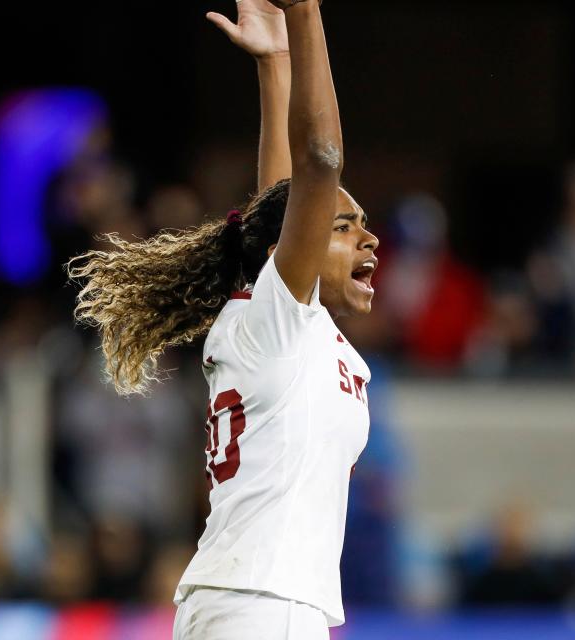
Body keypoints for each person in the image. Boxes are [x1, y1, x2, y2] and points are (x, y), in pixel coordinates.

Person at [69, 0, 378, 637]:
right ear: (292, 243)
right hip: (265, 604)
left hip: (249, 600)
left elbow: (278, 201)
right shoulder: (279, 320)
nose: (368, 241)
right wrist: (305, 14)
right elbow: (317, 163)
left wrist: (276, 65)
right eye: (343, 225)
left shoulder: (286, 325)